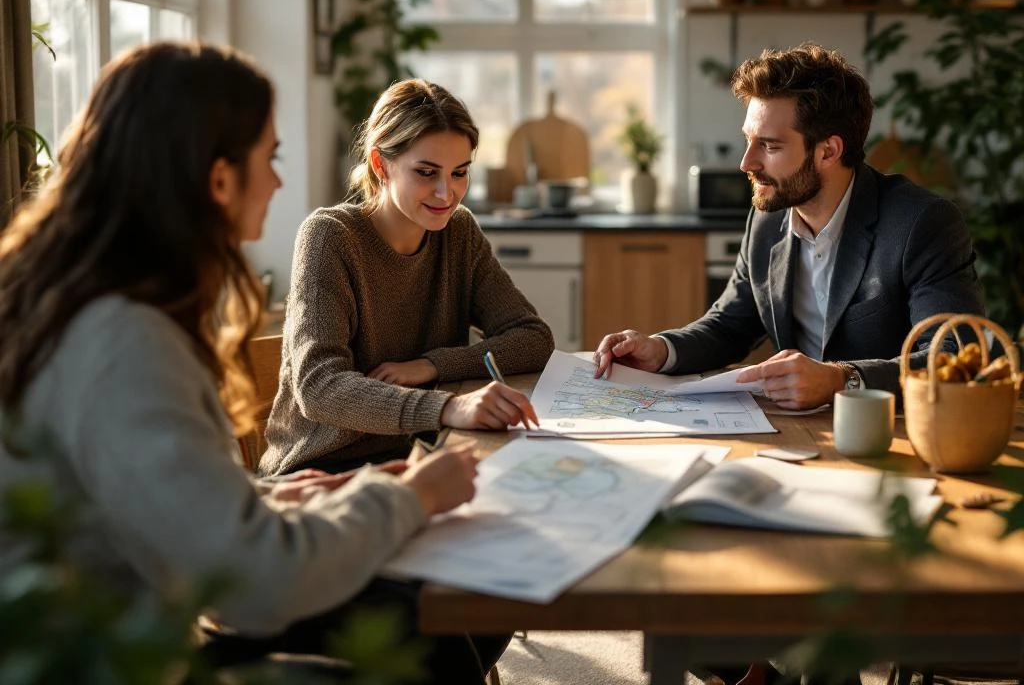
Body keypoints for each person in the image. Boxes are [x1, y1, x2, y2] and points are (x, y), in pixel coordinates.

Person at [0, 42, 508, 684]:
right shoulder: (124, 338)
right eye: (269, 158)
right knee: (413, 628)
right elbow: (251, 583)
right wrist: (404, 497)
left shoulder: (86, 300)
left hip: (119, 633)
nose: (277, 180)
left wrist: (261, 494)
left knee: (440, 607)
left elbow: (138, 494)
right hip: (101, 660)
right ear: (217, 178)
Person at [595, 42, 984, 411]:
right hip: (799, 431)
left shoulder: (922, 223)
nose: (746, 163)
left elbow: (954, 354)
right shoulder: (767, 217)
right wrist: (660, 350)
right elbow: (731, 324)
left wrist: (840, 380)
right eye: (749, 141)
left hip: (893, 433)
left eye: (770, 146)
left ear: (828, 151)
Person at [260, 78, 554, 477]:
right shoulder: (330, 236)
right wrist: (448, 406)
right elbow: (319, 387)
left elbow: (532, 338)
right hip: (323, 471)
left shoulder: (459, 232)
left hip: (423, 452)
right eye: (426, 172)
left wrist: (431, 366)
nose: (445, 194)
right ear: (381, 164)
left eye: (459, 173)